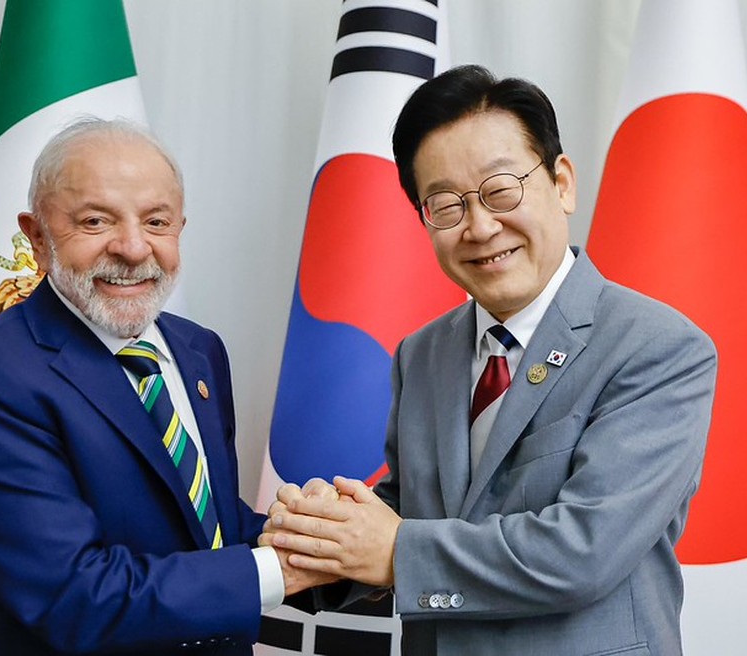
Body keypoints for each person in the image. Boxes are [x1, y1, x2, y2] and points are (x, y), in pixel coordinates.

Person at [263, 65, 718, 655]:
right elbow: (419, 509)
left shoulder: (657, 347)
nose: (479, 227)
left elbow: (584, 551)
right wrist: (323, 536)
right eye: (445, 205)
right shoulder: (422, 353)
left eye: (501, 191)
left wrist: (395, 551)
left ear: (562, 184)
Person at [0, 118, 326, 655]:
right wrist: (281, 570)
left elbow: (203, 525)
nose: (134, 248)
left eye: (156, 222)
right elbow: (76, 596)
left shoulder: (199, 351)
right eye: (95, 221)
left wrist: (327, 541)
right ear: (37, 237)